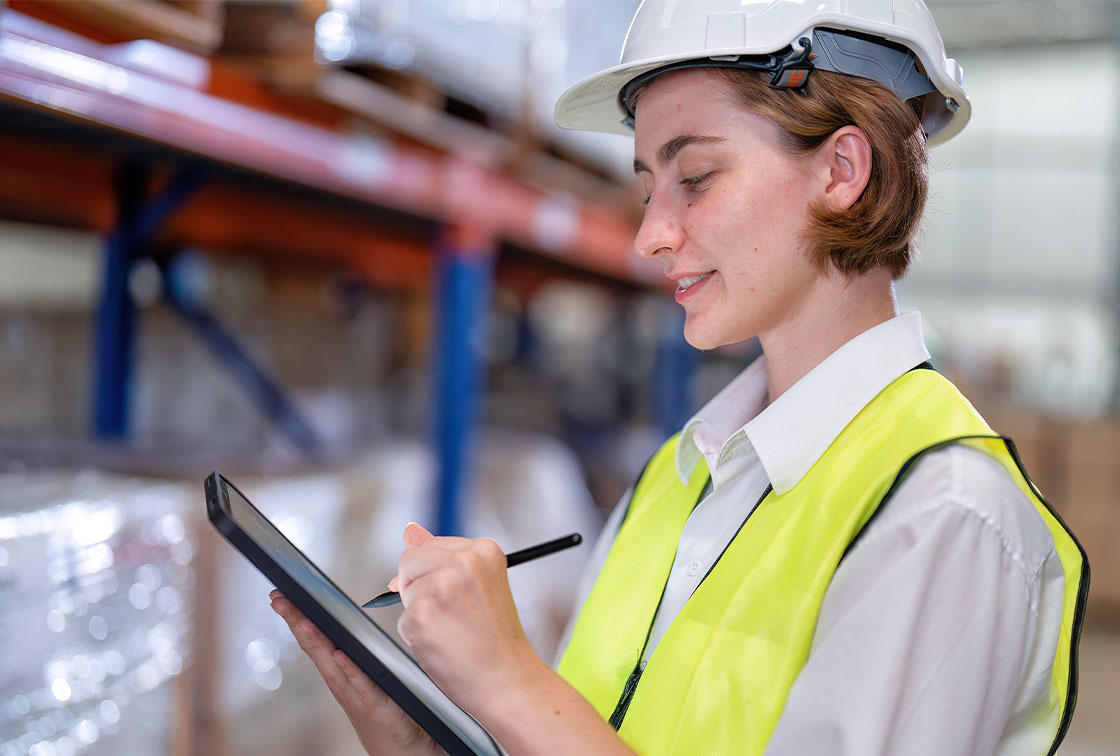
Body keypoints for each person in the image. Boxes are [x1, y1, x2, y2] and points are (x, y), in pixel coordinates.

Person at [270, 1, 1088, 754]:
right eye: (649, 187)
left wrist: (509, 680)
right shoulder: (678, 478)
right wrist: (414, 737)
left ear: (841, 172)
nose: (650, 237)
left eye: (694, 179)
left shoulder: (943, 515)